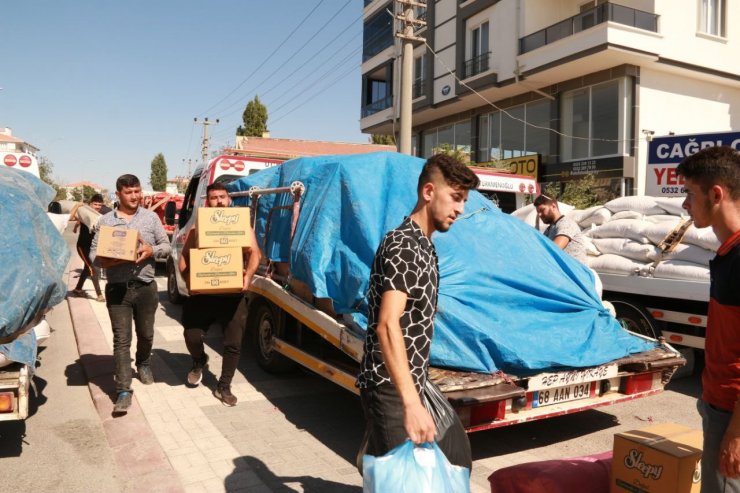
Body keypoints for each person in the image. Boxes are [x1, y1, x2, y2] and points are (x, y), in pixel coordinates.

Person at [356, 154, 478, 472]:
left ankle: (373, 460)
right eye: (455, 197)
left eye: (464, 200)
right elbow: (387, 325)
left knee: (452, 455)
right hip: (390, 386)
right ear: (428, 192)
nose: (460, 209)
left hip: (411, 381)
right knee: (404, 478)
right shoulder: (404, 246)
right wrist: (410, 402)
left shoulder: (425, 245)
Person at [677, 145, 740, 493]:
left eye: (689, 193)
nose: (685, 204)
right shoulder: (727, 252)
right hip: (719, 404)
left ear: (716, 194)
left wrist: (736, 432)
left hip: (732, 412)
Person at [90, 174, 171, 415]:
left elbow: (166, 246)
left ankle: (144, 363)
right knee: (121, 340)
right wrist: (109, 260)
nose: (135, 196)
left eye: (137, 191)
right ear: (118, 195)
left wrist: (151, 250)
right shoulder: (105, 220)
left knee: (146, 334)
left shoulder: (151, 218)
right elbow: (94, 255)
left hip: (145, 286)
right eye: (129, 192)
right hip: (117, 290)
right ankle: (123, 389)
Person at [178, 182, 261, 406]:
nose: (219, 201)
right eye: (214, 198)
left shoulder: (241, 226)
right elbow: (184, 257)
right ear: (208, 202)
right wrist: (188, 281)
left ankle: (223, 386)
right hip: (202, 295)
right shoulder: (197, 228)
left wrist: (248, 278)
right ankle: (198, 361)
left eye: (222, 197)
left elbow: (255, 254)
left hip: (232, 296)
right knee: (192, 336)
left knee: (233, 343)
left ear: (229, 199)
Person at [71, 193, 106, 302]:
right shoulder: (85, 214)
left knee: (87, 268)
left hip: (93, 247)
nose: (97, 206)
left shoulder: (99, 217)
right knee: (92, 268)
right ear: (90, 204)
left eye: (100, 205)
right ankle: (99, 295)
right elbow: (75, 217)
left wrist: (76, 227)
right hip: (82, 247)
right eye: (95, 204)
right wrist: (76, 225)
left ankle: (77, 289)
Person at [533, 194, 587, 264]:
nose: (539, 214)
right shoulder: (548, 230)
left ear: (553, 206)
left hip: (576, 273)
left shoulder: (566, 223)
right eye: (538, 212)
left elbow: (554, 249)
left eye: (542, 210)